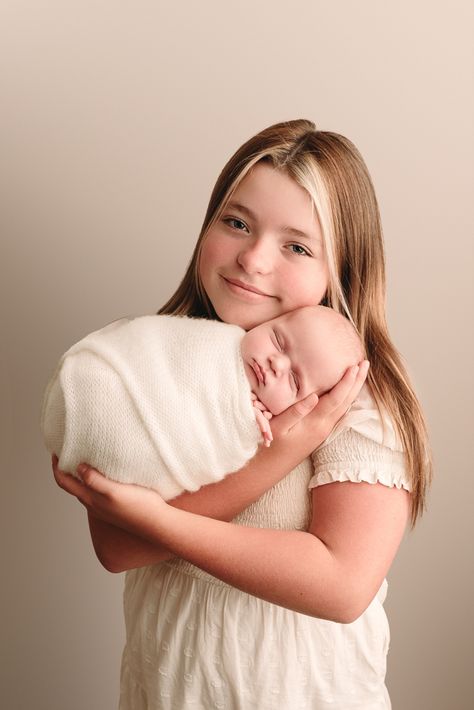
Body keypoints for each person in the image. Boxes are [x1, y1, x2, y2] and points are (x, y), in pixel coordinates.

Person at [52, 119, 432, 709]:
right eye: (236, 223)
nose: (253, 259)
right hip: (171, 685)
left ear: (343, 270)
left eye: (297, 246)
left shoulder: (351, 395)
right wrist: (280, 449)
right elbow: (117, 547)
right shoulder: (166, 359)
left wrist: (156, 519)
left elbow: (341, 584)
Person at [42, 304, 363, 496]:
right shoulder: (219, 339)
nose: (275, 364)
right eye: (278, 340)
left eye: (294, 381)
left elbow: (215, 441)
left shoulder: (263, 425)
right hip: (102, 385)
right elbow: (160, 351)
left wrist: (242, 424)